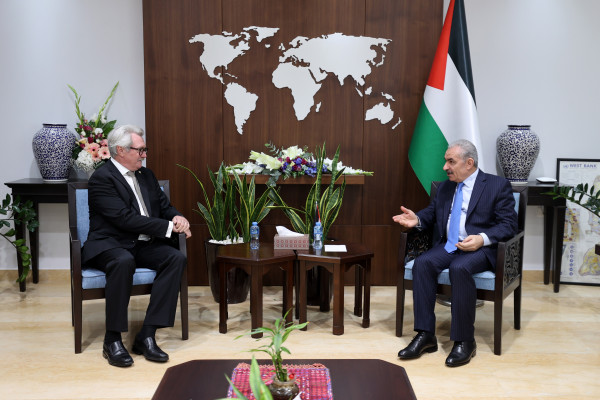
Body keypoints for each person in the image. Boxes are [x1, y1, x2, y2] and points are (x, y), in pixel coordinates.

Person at [392, 139, 517, 367]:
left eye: (451, 162)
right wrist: (417, 219)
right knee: (422, 264)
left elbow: (509, 225)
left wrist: (482, 239)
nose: (445, 167)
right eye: (445, 161)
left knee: (460, 268)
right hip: (449, 245)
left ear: (469, 163)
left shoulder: (497, 185)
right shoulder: (446, 187)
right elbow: (432, 213)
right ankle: (425, 335)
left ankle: (464, 340)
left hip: (481, 248)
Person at [82, 124, 192, 368]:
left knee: (175, 258)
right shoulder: (102, 178)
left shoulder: (146, 175)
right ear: (120, 150)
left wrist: (177, 217)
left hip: (141, 243)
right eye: (140, 150)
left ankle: (147, 335)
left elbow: (164, 206)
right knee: (123, 261)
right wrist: (168, 227)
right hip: (110, 244)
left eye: (144, 150)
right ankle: (112, 340)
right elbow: (124, 219)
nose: (144, 155)